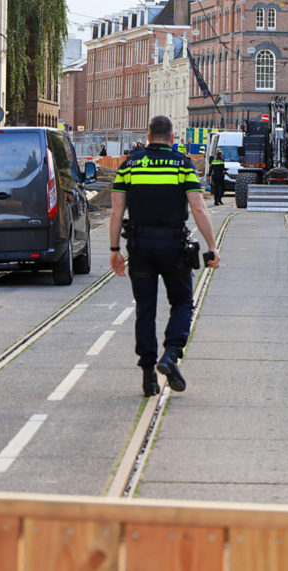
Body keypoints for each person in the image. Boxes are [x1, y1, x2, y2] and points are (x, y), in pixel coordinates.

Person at [110, 116, 223, 397]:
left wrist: (114, 251)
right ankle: (171, 354)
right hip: (173, 245)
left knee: (145, 310)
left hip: (140, 245)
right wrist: (212, 245)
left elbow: (116, 212)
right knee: (183, 302)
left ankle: (148, 378)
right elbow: (198, 208)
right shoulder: (182, 164)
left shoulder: (130, 165)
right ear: (172, 138)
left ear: (148, 138)